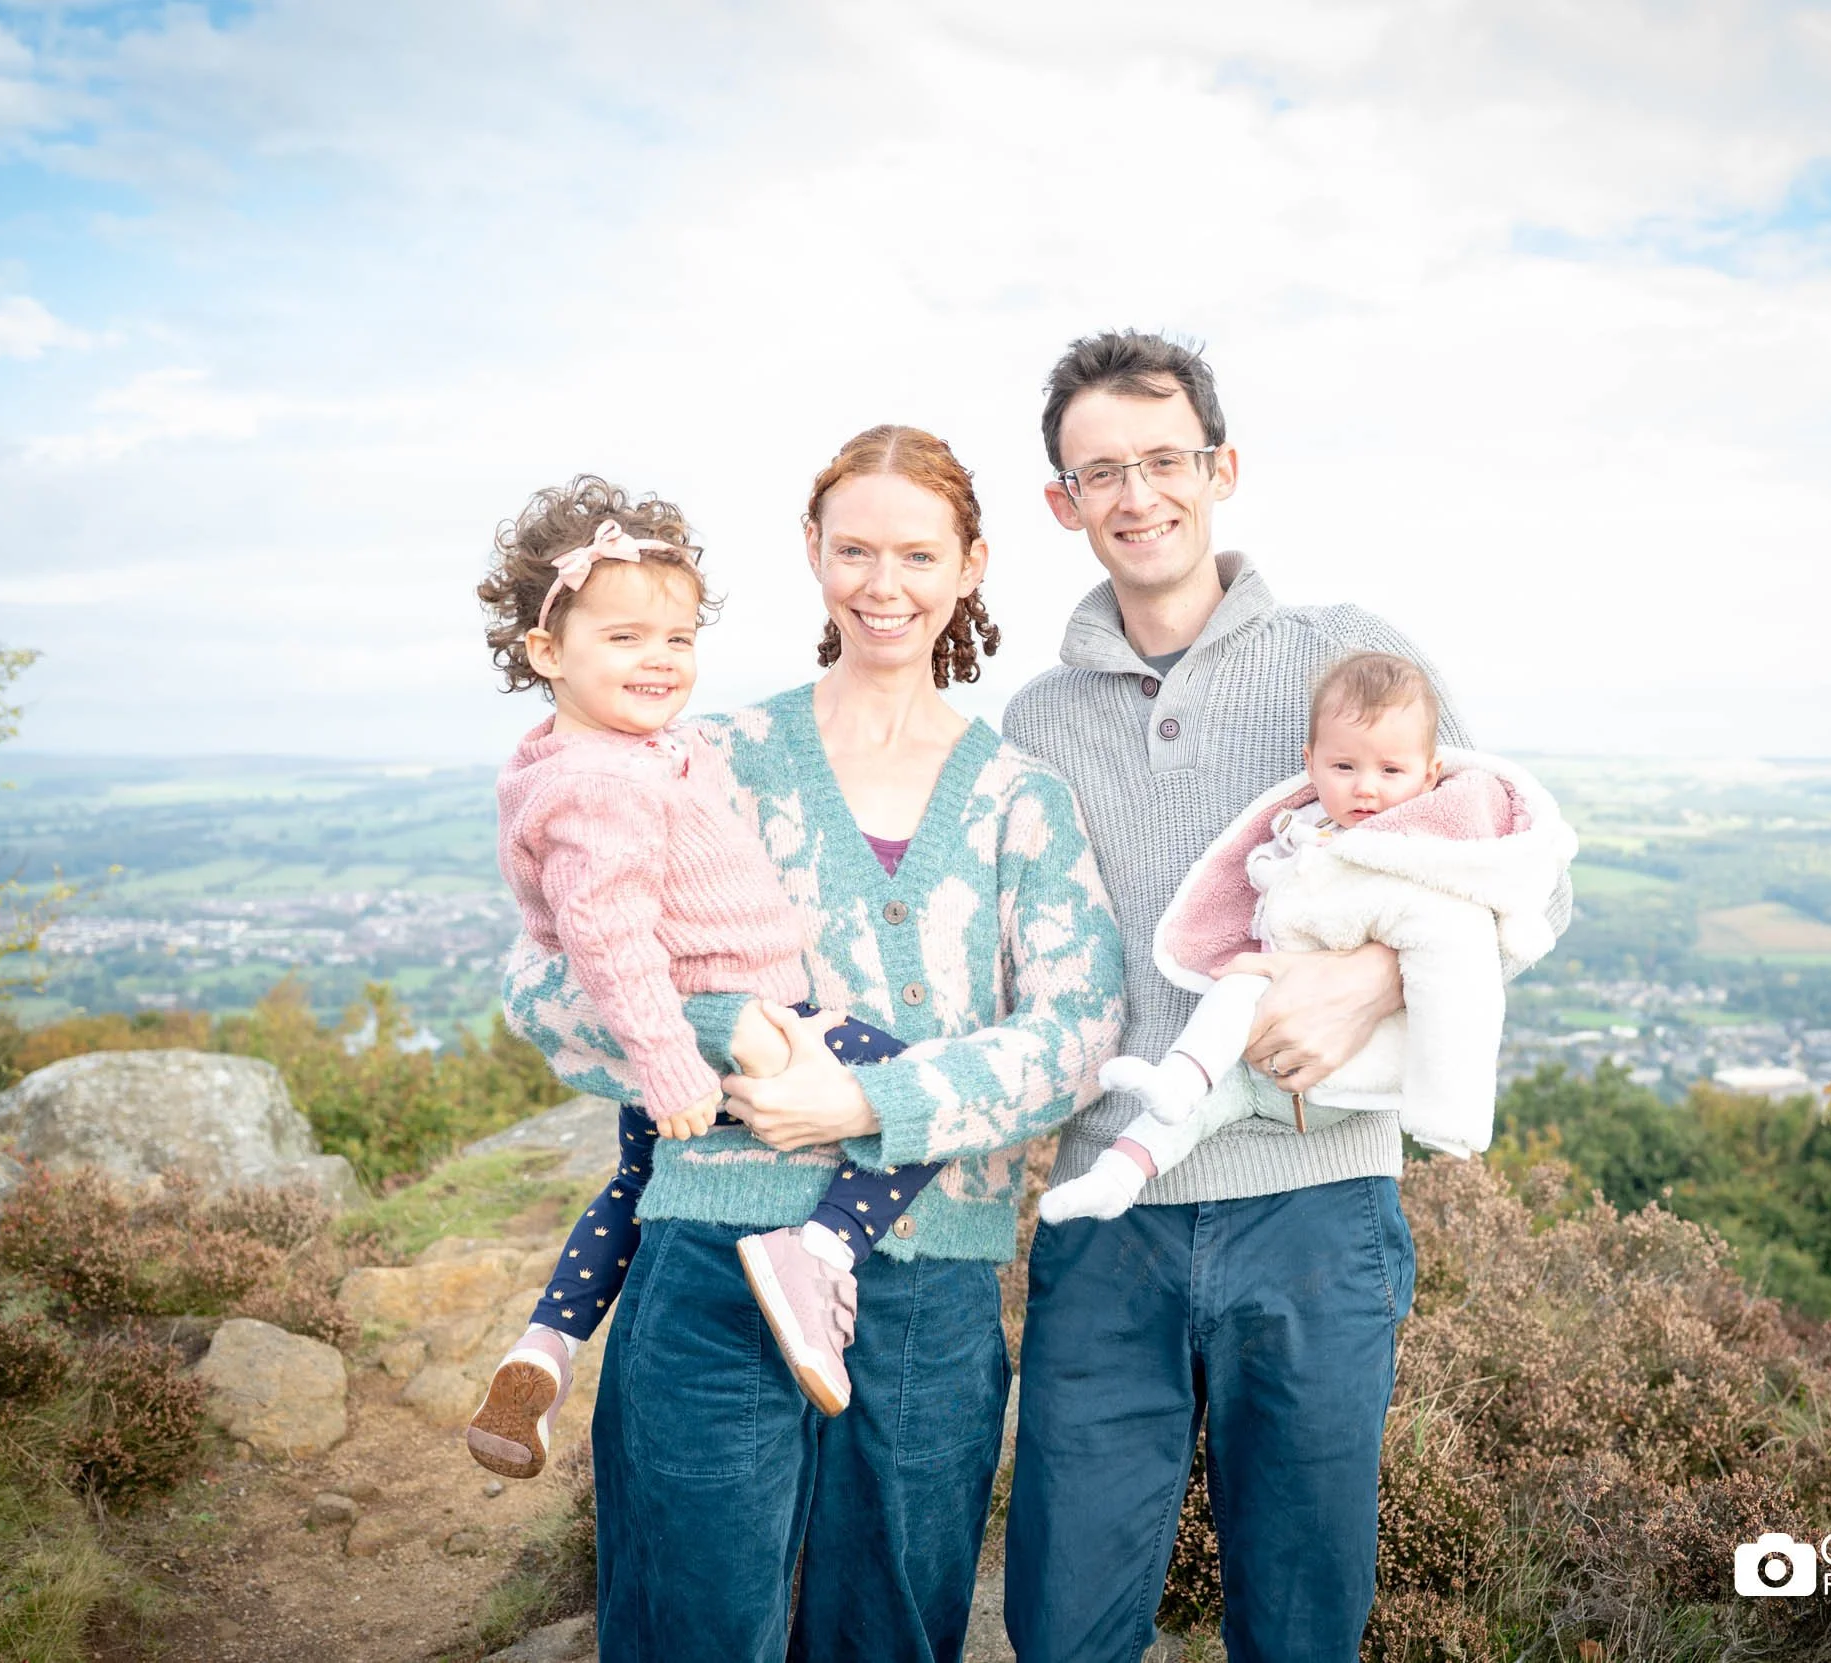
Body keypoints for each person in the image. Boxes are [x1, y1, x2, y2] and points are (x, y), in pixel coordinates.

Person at [499, 426, 1127, 1662]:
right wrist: (736, 1037)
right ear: (813, 555)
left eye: (915, 552)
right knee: (692, 1624)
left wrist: (864, 1102)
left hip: (928, 1285)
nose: (881, 583)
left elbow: (1078, 1031)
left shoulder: (1020, 798)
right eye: (853, 549)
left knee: (884, 1634)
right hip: (710, 1258)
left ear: (971, 564)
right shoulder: (699, 756)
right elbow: (542, 984)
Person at [1001, 332, 1573, 1662]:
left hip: (1319, 1207)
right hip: (1111, 1213)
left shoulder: (1349, 653)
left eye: (1164, 460)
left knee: (1303, 1620)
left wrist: (1374, 974)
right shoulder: (1035, 722)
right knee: (1063, 1618)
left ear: (1221, 468)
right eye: (1101, 471)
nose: (1138, 495)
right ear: (1062, 502)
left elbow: (1522, 874)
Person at [461, 476, 954, 1483]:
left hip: (686, 1043)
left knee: (633, 1182)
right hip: (734, 1025)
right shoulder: (602, 784)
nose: (660, 661)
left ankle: (542, 1349)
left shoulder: (588, 756)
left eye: (678, 640)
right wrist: (675, 1056)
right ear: (547, 652)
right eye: (626, 638)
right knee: (919, 1095)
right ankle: (815, 1253)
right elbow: (603, 933)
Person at [1039, 650, 1576, 1224]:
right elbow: (1267, 878)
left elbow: (1462, 959)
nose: (1366, 788)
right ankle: (1118, 1172)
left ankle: (1180, 1080)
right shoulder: (1310, 827)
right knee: (1186, 1109)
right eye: (1343, 768)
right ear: (1311, 763)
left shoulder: (1422, 860)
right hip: (1252, 1068)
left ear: (1430, 774)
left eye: (1390, 772)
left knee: (1242, 989)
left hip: (1340, 1090)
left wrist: (1448, 1114)